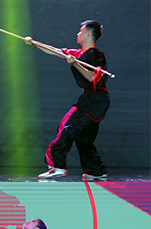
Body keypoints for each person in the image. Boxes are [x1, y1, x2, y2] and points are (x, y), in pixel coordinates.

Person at [26, 20, 109, 180]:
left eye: (80, 31)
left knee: (66, 126)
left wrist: (76, 64)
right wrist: (33, 43)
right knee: (83, 137)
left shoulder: (95, 54)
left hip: (95, 99)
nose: (77, 34)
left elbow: (93, 78)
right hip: (93, 99)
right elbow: (55, 51)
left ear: (88, 34)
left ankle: (57, 166)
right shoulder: (79, 54)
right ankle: (96, 171)